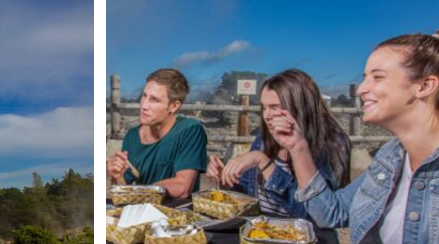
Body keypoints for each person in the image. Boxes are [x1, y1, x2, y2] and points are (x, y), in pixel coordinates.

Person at [282, 30, 439, 244]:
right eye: (365, 77)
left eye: (377, 77)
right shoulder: (391, 157)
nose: (362, 89)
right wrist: (298, 148)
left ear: (424, 86)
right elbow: (333, 213)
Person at [205, 69, 351, 218]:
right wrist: (226, 179)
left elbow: (316, 215)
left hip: (306, 237)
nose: (267, 115)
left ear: (300, 106)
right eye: (264, 107)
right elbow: (247, 195)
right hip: (261, 231)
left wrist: (263, 162)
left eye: (275, 107)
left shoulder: (331, 143)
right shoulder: (264, 137)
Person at [107, 68, 208, 199]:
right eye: (144, 96)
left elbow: (183, 187)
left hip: (177, 215)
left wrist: (138, 192)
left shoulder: (190, 130)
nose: (144, 105)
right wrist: (117, 177)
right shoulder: (132, 136)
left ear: (174, 106)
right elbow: (123, 192)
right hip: (141, 212)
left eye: (154, 100)